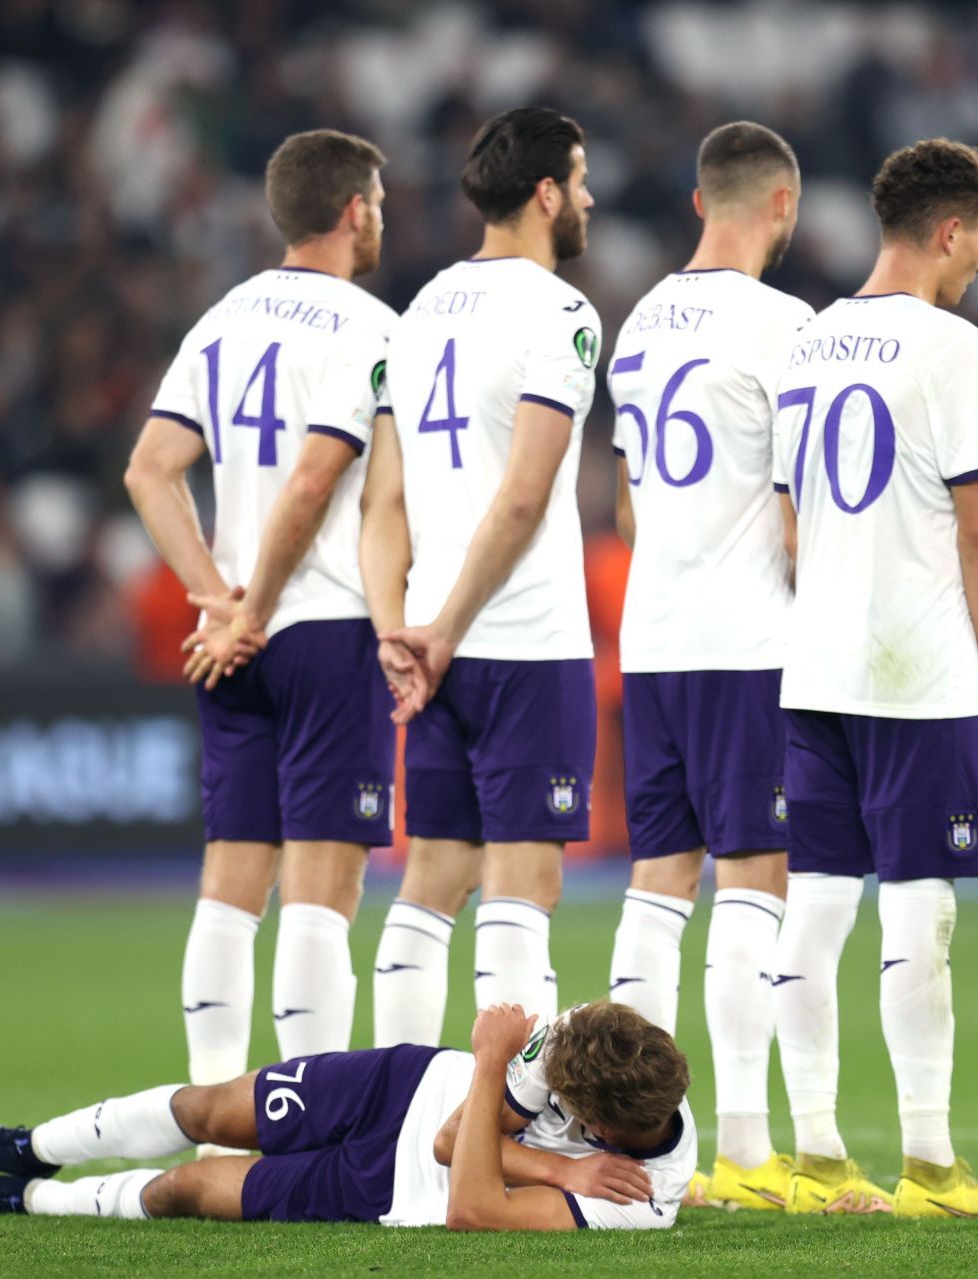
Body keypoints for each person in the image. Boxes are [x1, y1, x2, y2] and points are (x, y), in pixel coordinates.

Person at [121, 130, 398, 1130]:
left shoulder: (222, 318)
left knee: (231, 882)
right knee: (323, 890)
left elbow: (150, 468)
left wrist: (216, 600)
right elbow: (320, 479)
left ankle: (210, 1116)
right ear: (355, 209)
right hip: (323, 625)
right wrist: (261, 604)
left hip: (230, 641)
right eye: (379, 200)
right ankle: (308, 1124)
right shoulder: (371, 326)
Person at [768, 138, 978, 1216]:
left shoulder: (809, 340)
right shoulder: (954, 348)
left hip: (815, 665)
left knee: (813, 909)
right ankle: (928, 1162)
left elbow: (785, 523)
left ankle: (817, 1153)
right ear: (949, 230)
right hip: (920, 672)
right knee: (922, 913)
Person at [600, 121, 811, 1211]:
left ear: (699, 202)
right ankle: (743, 1148)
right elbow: (797, 518)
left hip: (657, 638)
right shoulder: (787, 327)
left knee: (658, 883)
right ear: (783, 205)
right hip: (747, 642)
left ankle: (631, 1141)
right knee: (756, 881)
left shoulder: (636, 325)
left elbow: (630, 504)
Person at [363, 107, 601, 1044]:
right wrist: (451, 625)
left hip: (429, 646)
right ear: (546, 193)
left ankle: (392, 1108)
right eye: (579, 181)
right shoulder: (561, 312)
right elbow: (524, 497)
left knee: (430, 880)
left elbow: (381, 505)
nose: (587, 198)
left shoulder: (419, 310)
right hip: (520, 642)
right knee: (522, 887)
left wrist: (401, 628)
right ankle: (504, 1125)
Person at [0, 999, 696, 1232]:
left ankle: (29, 1197)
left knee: (189, 1188)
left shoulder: (640, 1199)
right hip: (401, 1082)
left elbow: (472, 1199)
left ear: (610, 1127)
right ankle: (25, 1143)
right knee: (209, 1105)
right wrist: (556, 1164)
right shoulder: (596, 1037)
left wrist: (491, 1062)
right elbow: (460, 1134)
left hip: (384, 1188)